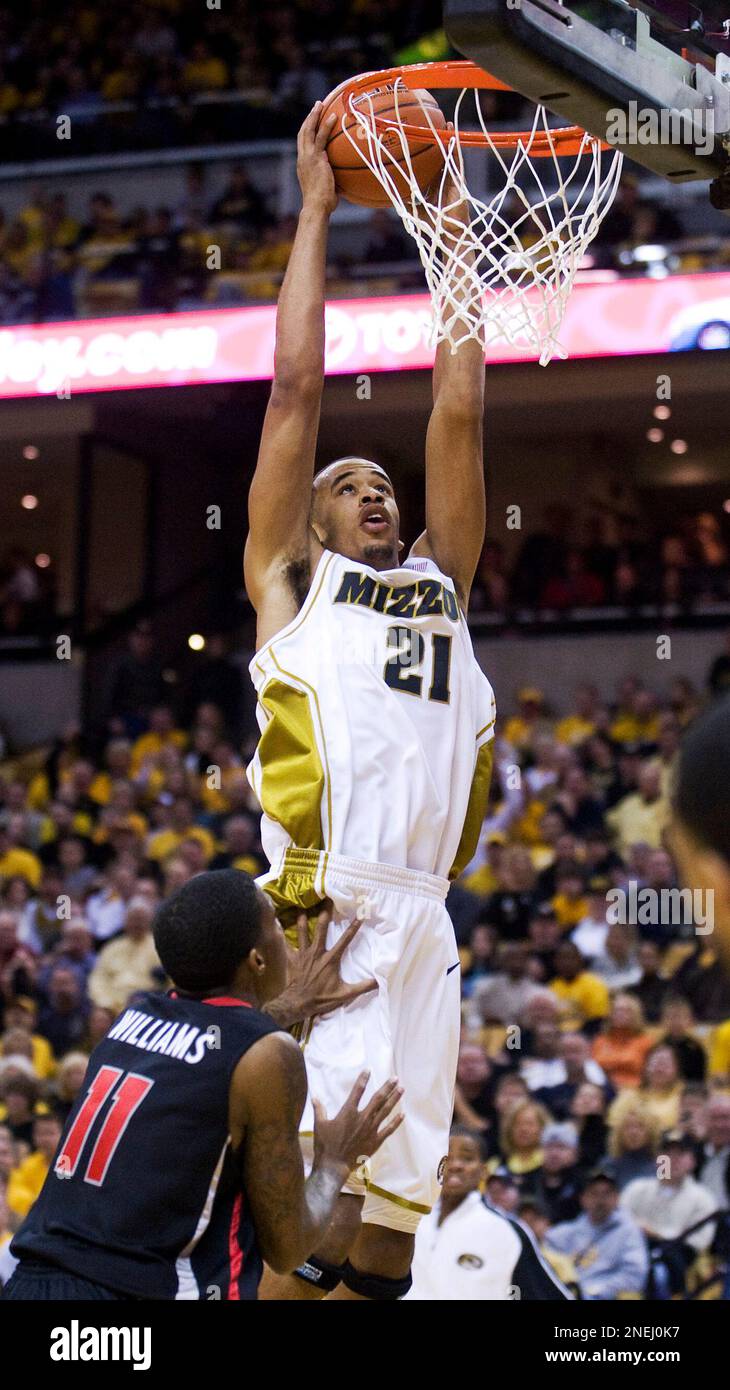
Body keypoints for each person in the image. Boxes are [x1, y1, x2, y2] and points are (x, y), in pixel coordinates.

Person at [244, 104, 494, 1302]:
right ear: (316, 521)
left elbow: (457, 406)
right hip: (330, 923)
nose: (370, 493)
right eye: (348, 485)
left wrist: (450, 221)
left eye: (381, 484)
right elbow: (295, 391)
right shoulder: (292, 586)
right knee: (317, 1226)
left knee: (393, 1244)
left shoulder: (446, 585)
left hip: (428, 929)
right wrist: (315, 210)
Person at [2, 871, 399, 1301]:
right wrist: (334, 1162)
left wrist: (287, 1004)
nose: (287, 943)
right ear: (257, 960)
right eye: (275, 930)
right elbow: (288, 1248)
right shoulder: (270, 1055)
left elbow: (208, 1049)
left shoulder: (126, 1025)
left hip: (32, 1282)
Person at [405, 1128, 571, 1300]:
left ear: (483, 1171)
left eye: (467, 1158)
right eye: (447, 1157)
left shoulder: (506, 1231)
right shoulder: (413, 1221)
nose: (455, 1165)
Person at [546, 1164, 649, 1299]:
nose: (600, 1200)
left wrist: (594, 1291)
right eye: (594, 1193)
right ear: (583, 1199)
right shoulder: (563, 1233)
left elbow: (634, 1277)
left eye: (607, 1194)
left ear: (617, 1198)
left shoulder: (629, 1231)